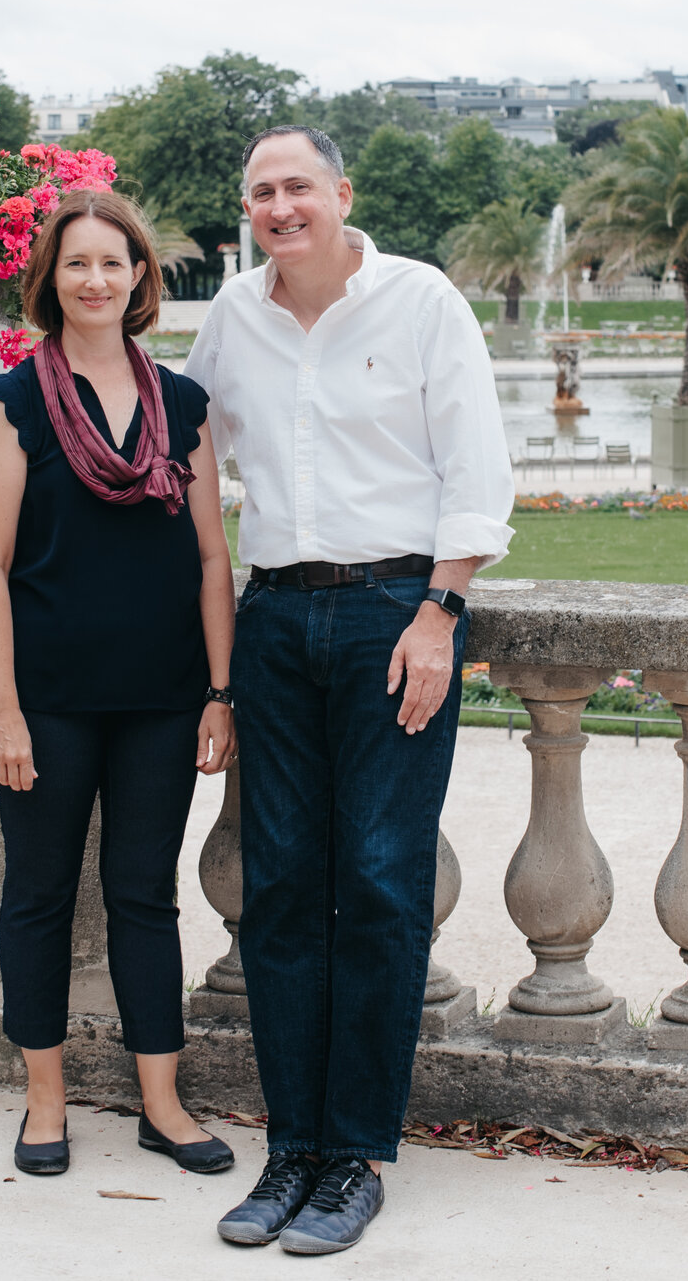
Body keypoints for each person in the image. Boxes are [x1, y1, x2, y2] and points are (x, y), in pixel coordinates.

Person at [185, 125, 513, 1255]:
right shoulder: (231, 314)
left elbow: (475, 468)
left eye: (298, 188)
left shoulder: (419, 301)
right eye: (262, 191)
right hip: (274, 617)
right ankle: (293, 1150)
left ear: (340, 195)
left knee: (376, 883)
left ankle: (357, 1155)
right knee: (278, 887)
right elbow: (176, 452)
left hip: (390, 616)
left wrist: (440, 613)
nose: (281, 207)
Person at [0, 188, 240, 1182]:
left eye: (113, 263)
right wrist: (1, 706)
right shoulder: (14, 404)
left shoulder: (185, 407)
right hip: (43, 701)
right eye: (77, 262)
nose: (96, 279)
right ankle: (45, 1099)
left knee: (145, 897)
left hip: (163, 697)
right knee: (38, 896)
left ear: (139, 279)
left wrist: (219, 692)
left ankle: (161, 1102)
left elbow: (213, 558)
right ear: (52, 279)